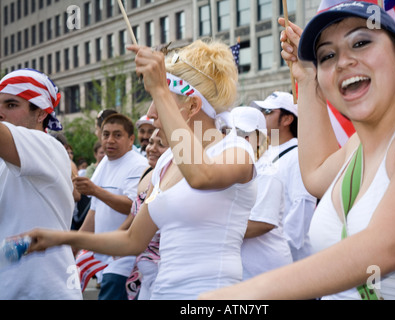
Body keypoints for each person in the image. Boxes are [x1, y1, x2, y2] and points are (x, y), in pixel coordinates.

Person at [200, 2, 395, 300]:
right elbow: (316, 175)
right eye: (327, 56)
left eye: (360, 42)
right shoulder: (357, 146)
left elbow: (386, 248)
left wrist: (238, 296)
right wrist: (306, 79)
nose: (343, 61)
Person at [24, 39, 257, 300]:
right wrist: (59, 238)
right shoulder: (166, 163)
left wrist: (159, 86)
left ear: (192, 106)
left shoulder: (236, 150)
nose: (150, 113)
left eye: (160, 100)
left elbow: (202, 176)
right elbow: (133, 240)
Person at [0, 68, 82, 300]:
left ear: (40, 114)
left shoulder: (48, 146)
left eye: (11, 105)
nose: (1, 112)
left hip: (47, 292)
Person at [74, 113, 148, 300]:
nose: (110, 140)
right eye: (106, 134)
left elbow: (134, 207)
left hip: (124, 258)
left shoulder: (138, 165)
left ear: (131, 139)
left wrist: (96, 190)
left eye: (117, 135)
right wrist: (74, 246)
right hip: (101, 255)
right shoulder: (105, 163)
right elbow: (94, 211)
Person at [251, 91, 317, 261]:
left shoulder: (298, 155)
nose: (262, 116)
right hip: (264, 251)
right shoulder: (263, 153)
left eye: (268, 112)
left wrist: (282, 245)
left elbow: (302, 205)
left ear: (288, 119)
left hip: (290, 257)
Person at [231, 106, 293, 280]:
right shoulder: (232, 170)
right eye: (228, 133)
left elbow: (262, 223)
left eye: (242, 134)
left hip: (267, 272)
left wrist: (216, 228)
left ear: (258, 139)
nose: (234, 140)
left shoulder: (267, 172)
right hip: (244, 272)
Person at [123, 128, 169, 300]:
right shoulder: (147, 172)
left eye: (161, 144)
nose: (151, 148)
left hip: (161, 268)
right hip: (141, 266)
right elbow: (135, 215)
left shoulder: (173, 178)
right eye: (150, 142)